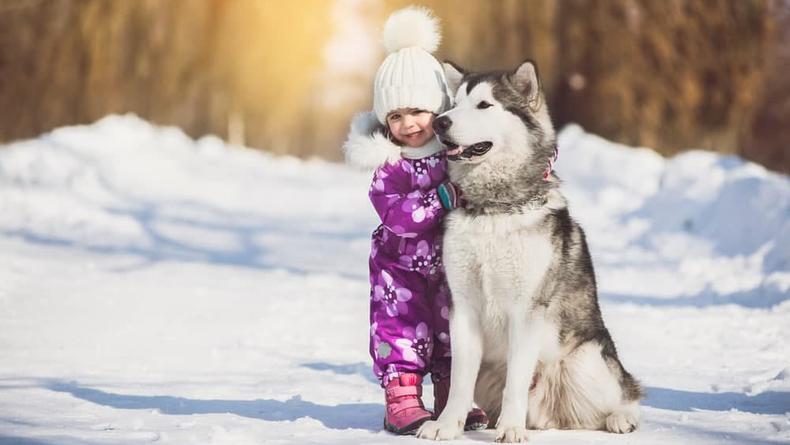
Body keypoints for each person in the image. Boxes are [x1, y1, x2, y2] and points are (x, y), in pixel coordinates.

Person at [342, 6, 488, 435]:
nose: (408, 124)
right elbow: (399, 216)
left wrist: (539, 160)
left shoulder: (454, 152)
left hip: (451, 266)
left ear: (439, 109)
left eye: (418, 111)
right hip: (398, 273)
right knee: (400, 332)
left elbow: (502, 156)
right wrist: (441, 197)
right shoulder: (389, 165)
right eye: (395, 115)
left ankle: (452, 394)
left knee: (452, 329)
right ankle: (402, 397)